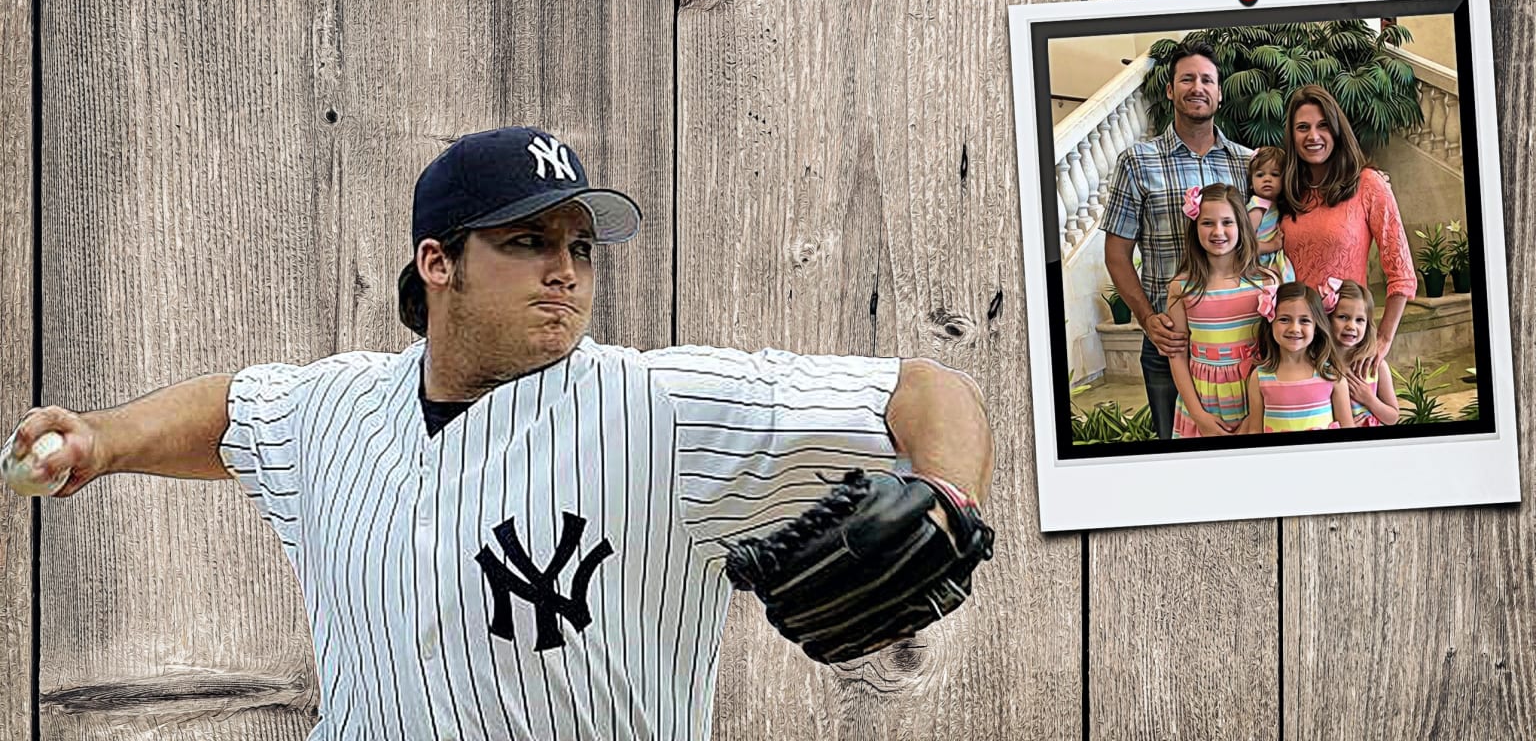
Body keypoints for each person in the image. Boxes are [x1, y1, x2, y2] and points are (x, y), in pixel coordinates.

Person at [3, 126, 994, 740]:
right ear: (439, 263)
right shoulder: (332, 410)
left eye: (578, 245)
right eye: (526, 241)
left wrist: (947, 497)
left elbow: (927, 391)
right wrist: (102, 438)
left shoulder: (665, 407)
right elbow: (231, 415)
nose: (564, 268)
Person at [1101, 41, 1254, 439]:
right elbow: (1117, 255)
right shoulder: (1138, 162)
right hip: (1169, 341)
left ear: (1219, 93)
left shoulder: (1247, 163)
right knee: (1175, 453)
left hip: (1243, 342)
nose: (1197, 87)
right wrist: (1148, 319)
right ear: (1170, 89)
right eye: (1187, 78)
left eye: (1207, 79)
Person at [1276, 84, 1415, 375]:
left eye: (1323, 125)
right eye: (1303, 127)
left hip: (1348, 346)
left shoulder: (1368, 184)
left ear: (1337, 130)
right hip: (1296, 346)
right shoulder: (1287, 192)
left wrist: (1384, 338)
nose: (1313, 136)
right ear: (1292, 135)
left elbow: (1400, 271)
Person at [1167, 183, 1277, 438]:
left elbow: (1275, 349)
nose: (1218, 231)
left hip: (1256, 400)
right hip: (1203, 402)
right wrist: (1199, 416)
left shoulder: (1266, 282)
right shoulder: (1181, 288)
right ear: (1195, 227)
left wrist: (1256, 416)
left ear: (1241, 226)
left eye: (1227, 222)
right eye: (1208, 223)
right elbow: (1177, 355)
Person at [1242, 282, 1354, 433]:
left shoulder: (1332, 376)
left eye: (1304, 320)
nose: (1294, 328)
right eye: (1284, 319)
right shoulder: (1260, 377)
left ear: (1316, 327)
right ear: (1271, 323)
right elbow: (1254, 432)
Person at [1327, 278, 1401, 426]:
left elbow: (1393, 418)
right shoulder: (1321, 367)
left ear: (1368, 325)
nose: (1351, 326)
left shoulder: (1376, 367)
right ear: (1327, 319)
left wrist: (1369, 399)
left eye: (1360, 320)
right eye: (1343, 317)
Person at [1244, 146, 1295, 283]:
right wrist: (1273, 245)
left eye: (1275, 174)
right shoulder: (1257, 207)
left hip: (1269, 261)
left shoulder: (1273, 205)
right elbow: (1244, 244)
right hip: (1256, 265)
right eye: (1260, 175)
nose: (1267, 179)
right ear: (1250, 183)